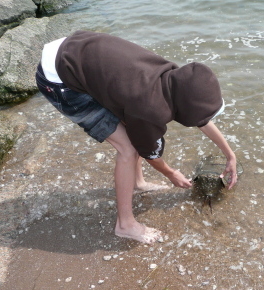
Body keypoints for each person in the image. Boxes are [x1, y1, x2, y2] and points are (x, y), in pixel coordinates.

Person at [36, 30, 237, 244]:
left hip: (76, 48)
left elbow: (200, 118)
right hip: (58, 77)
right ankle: (125, 225)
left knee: (133, 128)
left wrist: (230, 154)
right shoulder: (150, 110)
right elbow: (151, 154)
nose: (202, 119)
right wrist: (171, 174)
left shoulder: (171, 78)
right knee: (128, 148)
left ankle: (138, 183)